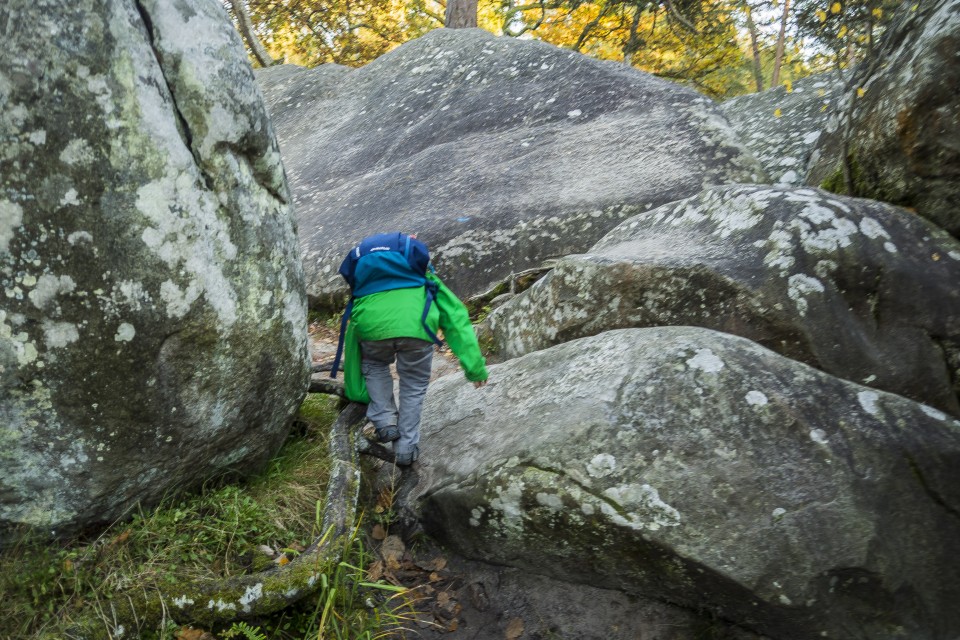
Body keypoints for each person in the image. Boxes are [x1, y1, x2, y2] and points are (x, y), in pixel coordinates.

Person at [335, 233, 488, 466]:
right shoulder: (425, 280)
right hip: (417, 328)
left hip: (372, 329)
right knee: (413, 385)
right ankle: (405, 449)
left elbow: (353, 332)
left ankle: (385, 421)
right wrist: (475, 368)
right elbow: (457, 321)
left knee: (374, 365)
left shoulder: (364, 289)